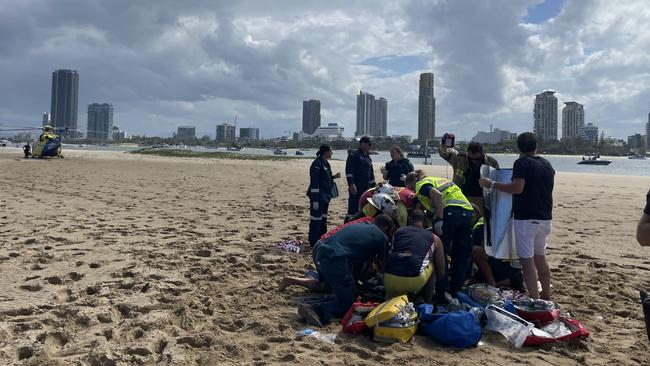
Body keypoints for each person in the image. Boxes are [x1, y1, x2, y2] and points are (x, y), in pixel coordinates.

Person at [479, 132, 554, 300]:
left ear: (519, 148)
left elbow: (517, 188)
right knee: (540, 258)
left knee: (526, 261)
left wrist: (492, 184)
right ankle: (546, 295)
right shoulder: (547, 164)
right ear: (536, 146)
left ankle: (534, 298)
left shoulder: (521, 163)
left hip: (527, 218)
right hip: (546, 217)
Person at [298, 214, 395, 326]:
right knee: (348, 305)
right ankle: (315, 309)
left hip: (321, 252)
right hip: (335, 260)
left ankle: (311, 302)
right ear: (388, 228)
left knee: (342, 291)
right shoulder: (382, 238)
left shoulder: (362, 225)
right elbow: (384, 268)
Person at [405, 170, 474, 300]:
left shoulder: (422, 183)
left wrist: (441, 220)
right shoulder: (439, 180)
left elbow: (436, 196)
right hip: (467, 212)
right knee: (461, 255)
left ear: (414, 180)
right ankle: (456, 292)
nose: (416, 193)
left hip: (449, 212)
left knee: (440, 254)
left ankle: (443, 294)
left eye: (412, 189)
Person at [384, 210, 445, 303]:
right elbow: (441, 270)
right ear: (424, 222)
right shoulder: (434, 238)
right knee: (433, 265)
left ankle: (387, 301)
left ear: (409, 219)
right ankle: (428, 302)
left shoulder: (398, 232)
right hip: (415, 281)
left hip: (389, 279)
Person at [439, 141, 498, 214]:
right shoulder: (460, 158)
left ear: (482, 153)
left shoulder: (491, 162)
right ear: (468, 153)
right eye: (471, 159)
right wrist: (445, 142)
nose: (474, 161)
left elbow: (496, 181)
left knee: (480, 221)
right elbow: (444, 153)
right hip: (462, 197)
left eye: (477, 159)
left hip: (482, 199)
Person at [470, 216, 524, 291]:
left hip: (501, 266)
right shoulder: (508, 221)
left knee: (475, 251)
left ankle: (492, 283)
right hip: (514, 271)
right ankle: (499, 284)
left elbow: (473, 251)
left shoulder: (480, 225)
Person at [307, 144, 340, 247]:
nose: (332, 153)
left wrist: (334, 177)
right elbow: (315, 183)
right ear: (325, 152)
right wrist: (315, 200)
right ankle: (313, 242)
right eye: (330, 151)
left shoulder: (326, 164)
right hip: (318, 197)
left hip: (326, 196)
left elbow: (326, 178)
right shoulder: (317, 164)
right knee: (316, 219)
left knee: (323, 219)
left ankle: (322, 239)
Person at [345, 136, 375, 216]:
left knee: (364, 210)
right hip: (356, 187)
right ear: (363, 144)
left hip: (366, 189)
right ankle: (348, 226)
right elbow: (349, 171)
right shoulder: (353, 155)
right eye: (369, 144)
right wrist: (351, 184)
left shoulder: (368, 158)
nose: (370, 146)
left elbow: (371, 174)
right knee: (353, 210)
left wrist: (374, 188)